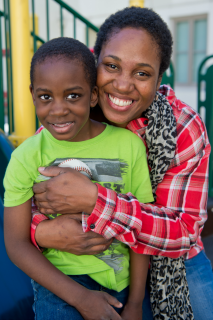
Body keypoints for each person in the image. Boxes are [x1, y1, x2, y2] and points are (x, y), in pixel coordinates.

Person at [31, 6, 213, 320]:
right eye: (112, 66)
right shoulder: (68, 110)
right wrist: (40, 233)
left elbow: (183, 230)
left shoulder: (182, 127)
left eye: (142, 73)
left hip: (169, 253)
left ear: (159, 79)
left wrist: (95, 200)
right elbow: (32, 200)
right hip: (82, 251)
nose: (123, 85)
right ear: (95, 60)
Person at [3, 37, 157, 320]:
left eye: (73, 95)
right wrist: (82, 298)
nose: (58, 109)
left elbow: (140, 231)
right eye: (45, 96)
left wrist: (136, 301)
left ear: (94, 95)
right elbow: (15, 243)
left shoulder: (129, 146)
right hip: (59, 286)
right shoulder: (26, 157)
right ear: (32, 94)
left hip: (122, 285)